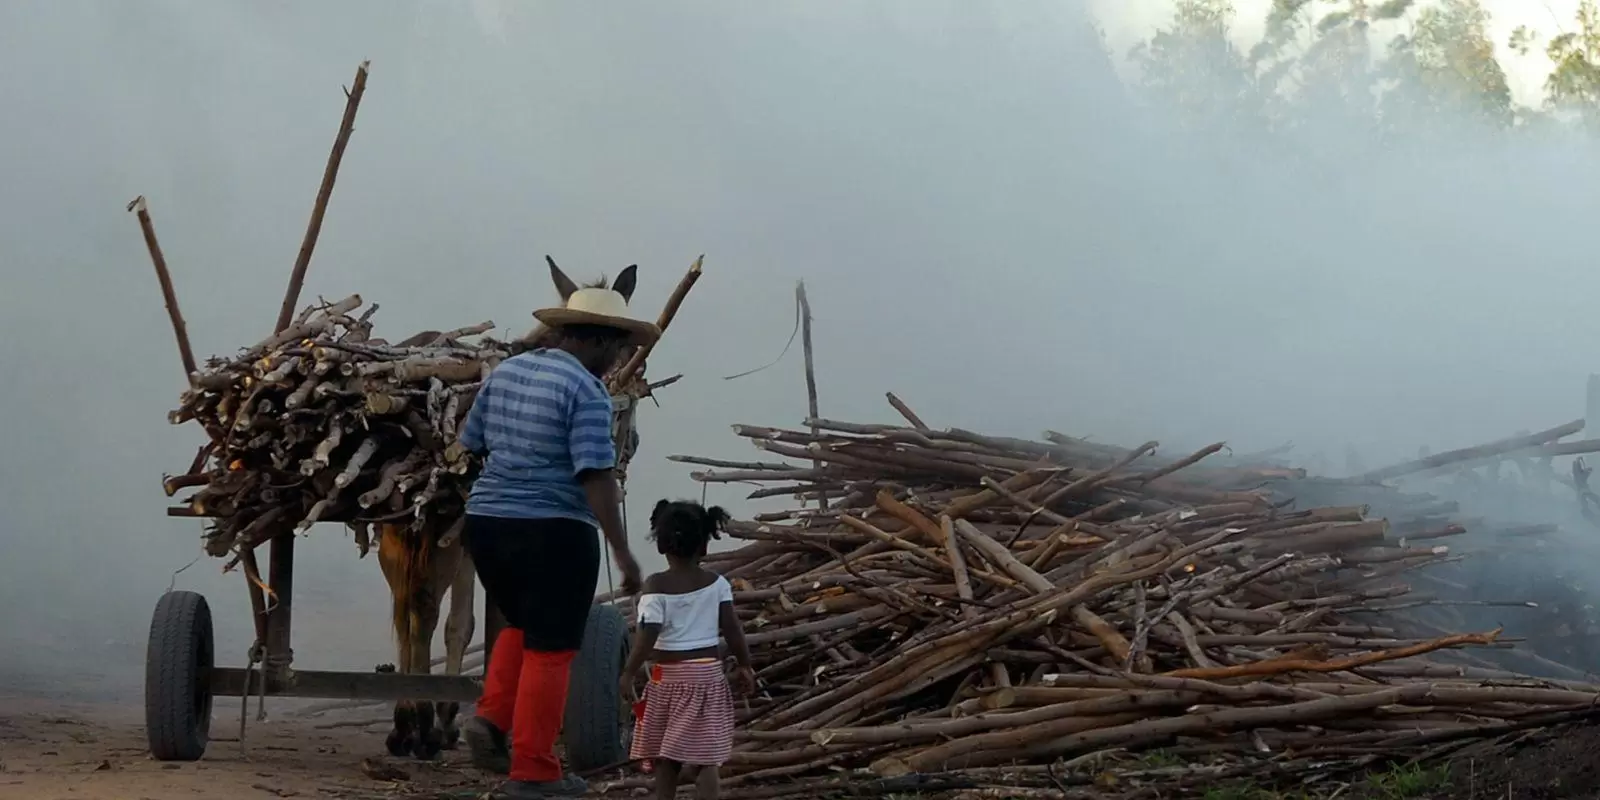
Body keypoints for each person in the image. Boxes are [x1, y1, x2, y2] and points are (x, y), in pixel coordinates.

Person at [456, 263, 658, 798]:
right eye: (616, 347)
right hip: (553, 530)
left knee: (522, 625)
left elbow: (469, 440)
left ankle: (492, 718)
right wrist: (622, 552)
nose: (618, 359)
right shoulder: (588, 392)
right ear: (597, 340)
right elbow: (594, 475)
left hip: (487, 525)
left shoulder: (505, 373)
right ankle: (534, 771)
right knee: (553, 650)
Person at [620, 499, 756, 800]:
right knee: (706, 757)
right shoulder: (717, 584)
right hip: (708, 680)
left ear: (661, 546)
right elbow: (733, 629)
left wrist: (628, 672)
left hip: (666, 680)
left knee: (664, 757)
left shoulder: (655, 586)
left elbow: (647, 637)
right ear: (704, 547)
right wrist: (745, 664)